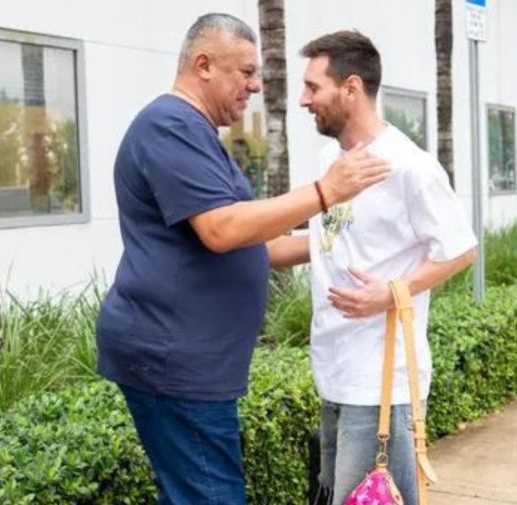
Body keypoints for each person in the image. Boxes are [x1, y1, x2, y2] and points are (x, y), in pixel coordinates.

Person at [95, 14, 390, 505]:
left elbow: (258, 243)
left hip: (193, 362)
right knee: (212, 496)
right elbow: (221, 229)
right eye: (247, 72)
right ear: (204, 64)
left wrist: (341, 240)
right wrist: (325, 191)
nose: (256, 86)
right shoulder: (169, 126)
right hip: (175, 359)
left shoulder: (198, 133)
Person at [293, 31, 478, 504]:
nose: (302, 99)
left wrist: (392, 291)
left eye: (314, 87)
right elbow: (323, 241)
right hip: (334, 372)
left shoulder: (410, 167)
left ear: (351, 88)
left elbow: (461, 249)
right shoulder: (328, 162)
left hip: (381, 384)